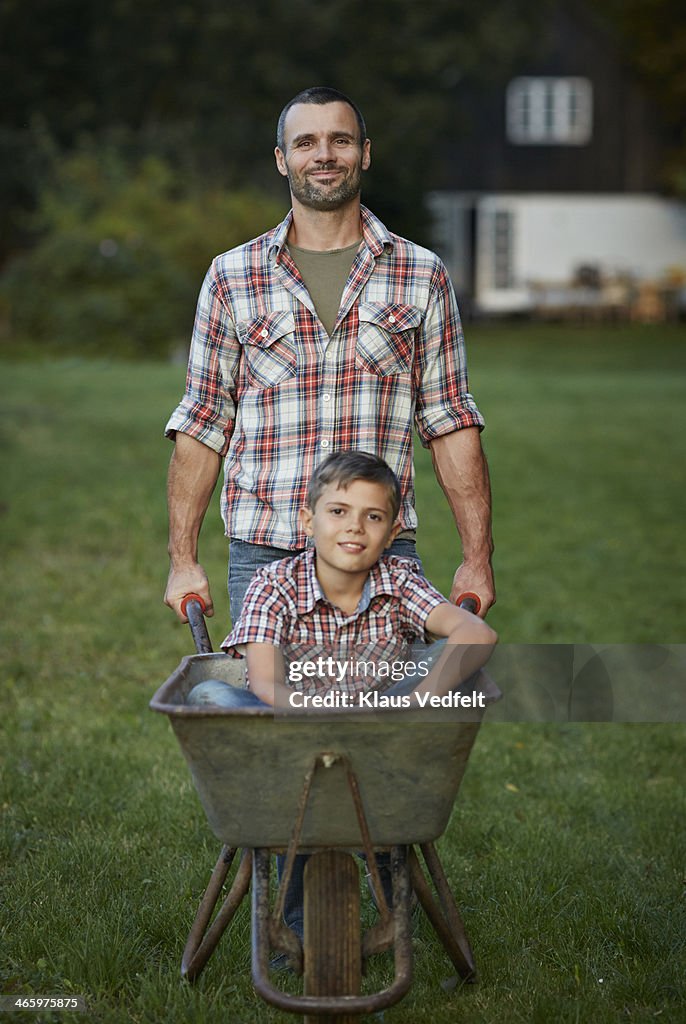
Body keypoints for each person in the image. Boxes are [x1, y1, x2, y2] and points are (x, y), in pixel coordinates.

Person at [164, 85, 495, 630]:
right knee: (273, 711)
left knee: (375, 713)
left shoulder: (421, 274)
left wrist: (477, 560)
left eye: (340, 140)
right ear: (282, 159)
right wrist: (182, 560)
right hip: (265, 555)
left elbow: (450, 421)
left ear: (364, 153)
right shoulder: (231, 277)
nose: (324, 155)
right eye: (306, 143)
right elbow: (203, 422)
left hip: (383, 557)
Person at [186, 451, 498, 947]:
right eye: (338, 512)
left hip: (379, 740)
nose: (355, 528)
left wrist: (416, 701)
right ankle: (296, 938)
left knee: (449, 661)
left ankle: (393, 919)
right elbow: (264, 684)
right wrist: (317, 714)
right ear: (308, 520)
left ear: (392, 532)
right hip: (289, 740)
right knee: (207, 692)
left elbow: (476, 635)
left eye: (373, 517)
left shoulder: (398, 582)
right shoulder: (273, 584)